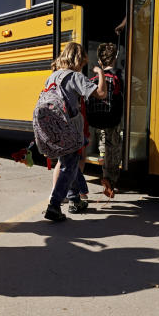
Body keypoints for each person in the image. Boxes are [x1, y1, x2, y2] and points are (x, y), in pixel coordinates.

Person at [41, 42, 106, 222]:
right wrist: (100, 73)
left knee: (69, 162)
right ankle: (54, 205)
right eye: (82, 63)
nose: (82, 66)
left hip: (51, 127)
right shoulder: (75, 76)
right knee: (70, 165)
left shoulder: (52, 76)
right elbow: (101, 94)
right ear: (78, 59)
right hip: (68, 128)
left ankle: (75, 199)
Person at [90, 42, 123, 198]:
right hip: (112, 119)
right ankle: (111, 179)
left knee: (103, 143)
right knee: (114, 147)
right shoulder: (118, 77)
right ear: (115, 58)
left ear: (99, 61)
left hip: (97, 119)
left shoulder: (94, 78)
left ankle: (104, 168)